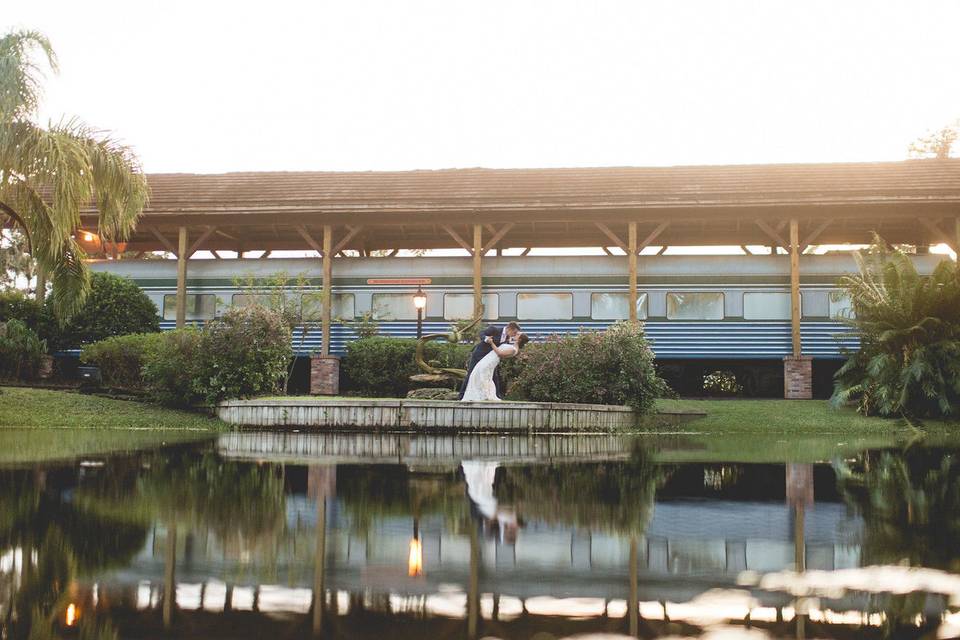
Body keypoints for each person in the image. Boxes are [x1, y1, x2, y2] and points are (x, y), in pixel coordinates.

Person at [461, 330, 529, 402]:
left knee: (482, 375)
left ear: (520, 339)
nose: (515, 334)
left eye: (518, 335)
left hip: (491, 360)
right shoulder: (512, 346)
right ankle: (482, 394)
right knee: (480, 375)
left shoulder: (514, 350)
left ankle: (484, 395)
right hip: (489, 358)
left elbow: (500, 353)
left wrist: (491, 343)